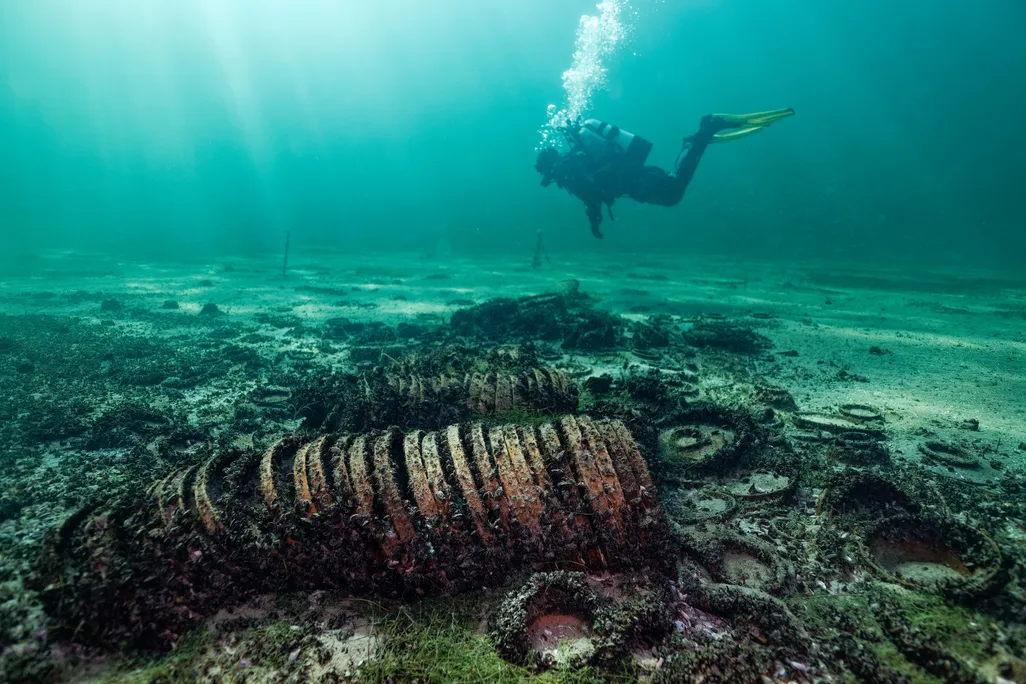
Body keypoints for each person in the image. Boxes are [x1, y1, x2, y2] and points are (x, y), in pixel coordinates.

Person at [535, 109, 795, 239]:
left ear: (549, 166)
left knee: (672, 192)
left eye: (545, 173)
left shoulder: (568, 171)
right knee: (673, 189)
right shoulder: (574, 162)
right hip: (636, 177)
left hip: (637, 181)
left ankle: (702, 133)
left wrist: (594, 222)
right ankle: (699, 140)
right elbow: (593, 194)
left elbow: (590, 196)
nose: (548, 179)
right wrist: (595, 221)